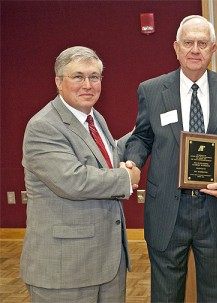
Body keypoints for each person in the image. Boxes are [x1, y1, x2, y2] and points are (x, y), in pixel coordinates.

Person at [124, 15, 217, 302]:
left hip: (214, 207)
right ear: (176, 47)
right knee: (166, 294)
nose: (195, 49)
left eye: (202, 43)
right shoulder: (152, 89)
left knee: (215, 294)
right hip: (167, 210)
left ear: (213, 48)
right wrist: (132, 161)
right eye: (188, 42)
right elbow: (142, 137)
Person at [20, 46, 141, 302]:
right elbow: (74, 181)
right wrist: (125, 179)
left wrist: (146, 131)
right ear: (58, 82)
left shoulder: (93, 118)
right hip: (66, 271)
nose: (88, 84)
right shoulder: (44, 126)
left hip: (107, 265)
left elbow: (110, 157)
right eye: (78, 77)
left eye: (94, 77)